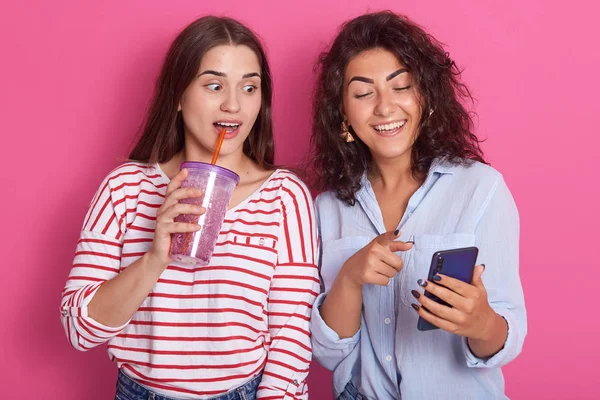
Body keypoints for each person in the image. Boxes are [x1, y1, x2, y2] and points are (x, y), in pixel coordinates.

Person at [60, 16, 319, 400]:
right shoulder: (125, 188)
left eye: (249, 87)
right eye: (214, 85)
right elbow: (79, 331)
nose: (233, 105)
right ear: (178, 97)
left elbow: (291, 336)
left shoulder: (285, 196)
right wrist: (155, 257)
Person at [308, 11, 526, 400]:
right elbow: (328, 353)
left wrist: (481, 322)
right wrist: (350, 277)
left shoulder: (481, 189)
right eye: (362, 93)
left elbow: (505, 341)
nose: (384, 107)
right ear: (343, 115)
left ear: (425, 97)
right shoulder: (326, 209)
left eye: (401, 86)